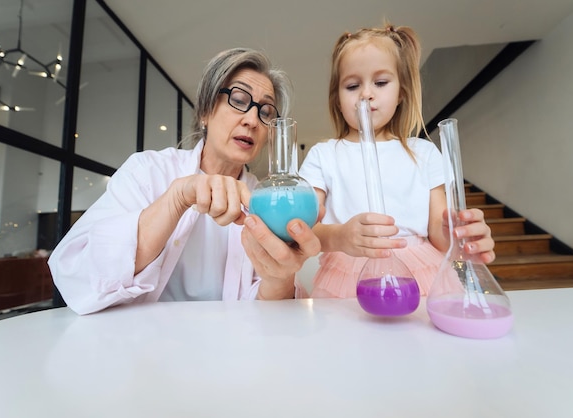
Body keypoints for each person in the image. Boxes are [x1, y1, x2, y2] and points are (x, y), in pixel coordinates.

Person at [48, 47, 322, 315]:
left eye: (265, 112)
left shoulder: (264, 202)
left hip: (228, 350)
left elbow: (266, 312)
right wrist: (176, 200)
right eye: (239, 100)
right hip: (140, 350)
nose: (252, 119)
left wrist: (278, 279)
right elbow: (74, 274)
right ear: (204, 111)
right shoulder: (147, 171)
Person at [298, 23, 496, 298]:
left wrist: (460, 233)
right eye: (352, 85)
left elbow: (439, 235)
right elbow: (304, 230)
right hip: (347, 279)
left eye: (380, 82)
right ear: (337, 99)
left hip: (419, 272)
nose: (366, 94)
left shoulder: (424, 153)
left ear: (401, 92)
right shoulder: (324, 155)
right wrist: (341, 236)